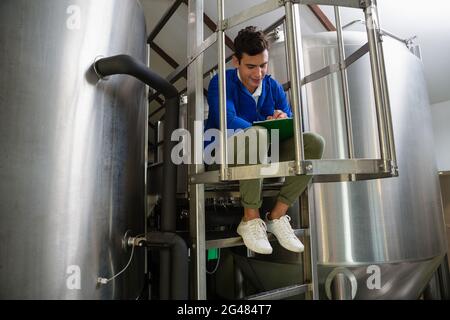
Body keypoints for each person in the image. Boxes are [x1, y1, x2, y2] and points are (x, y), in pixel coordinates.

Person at [205, 26, 324, 254]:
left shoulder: (273, 87)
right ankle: (250, 220)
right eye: (251, 66)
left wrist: (283, 118)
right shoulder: (221, 82)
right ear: (235, 61)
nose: (258, 73)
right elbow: (226, 119)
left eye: (263, 65)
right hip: (224, 153)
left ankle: (277, 215)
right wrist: (265, 129)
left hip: (265, 153)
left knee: (313, 142)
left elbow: (290, 122)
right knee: (257, 134)